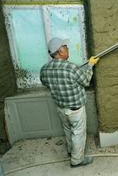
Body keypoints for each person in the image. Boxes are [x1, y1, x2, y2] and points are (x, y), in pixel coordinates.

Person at [40, 37, 99, 168]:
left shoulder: (44, 69)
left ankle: (71, 151)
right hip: (75, 109)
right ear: (60, 52)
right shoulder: (71, 68)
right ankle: (77, 160)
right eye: (66, 47)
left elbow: (45, 82)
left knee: (67, 129)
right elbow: (86, 81)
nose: (68, 49)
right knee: (78, 133)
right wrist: (90, 65)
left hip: (61, 108)